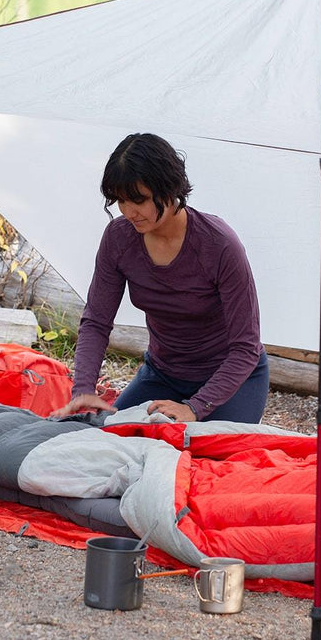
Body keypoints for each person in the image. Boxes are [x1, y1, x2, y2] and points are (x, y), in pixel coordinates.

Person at [51, 133, 268, 424]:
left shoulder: (219, 244)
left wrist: (194, 407)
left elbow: (246, 347)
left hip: (230, 380)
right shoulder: (118, 238)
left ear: (168, 188)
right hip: (162, 375)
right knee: (111, 435)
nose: (129, 212)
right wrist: (84, 390)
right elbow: (97, 321)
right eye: (121, 201)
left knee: (212, 458)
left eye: (138, 200)